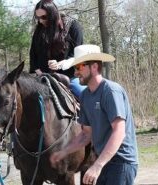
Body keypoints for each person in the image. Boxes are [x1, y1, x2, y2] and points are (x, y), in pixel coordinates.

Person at [50, 44, 139, 185]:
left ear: (94, 67)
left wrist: (97, 166)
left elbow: (119, 132)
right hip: (102, 161)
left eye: (79, 67)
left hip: (121, 163)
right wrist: (64, 152)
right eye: (75, 68)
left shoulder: (110, 91)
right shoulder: (85, 96)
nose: (75, 73)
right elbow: (86, 134)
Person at [29, 0, 86, 98]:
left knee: (85, 95)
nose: (40, 21)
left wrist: (60, 64)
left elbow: (77, 55)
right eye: (37, 17)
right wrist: (38, 71)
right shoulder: (39, 30)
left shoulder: (73, 26)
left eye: (44, 17)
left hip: (69, 77)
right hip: (42, 77)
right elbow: (33, 54)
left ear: (52, 14)